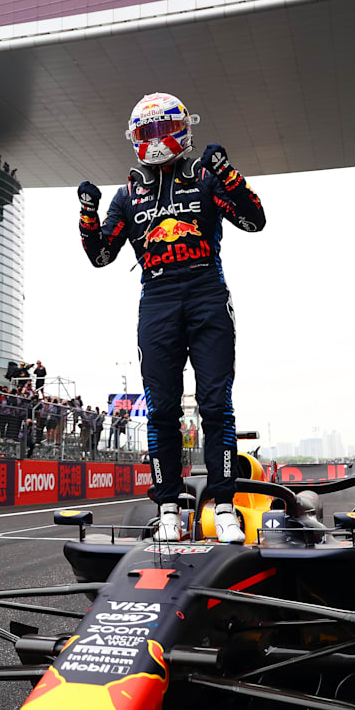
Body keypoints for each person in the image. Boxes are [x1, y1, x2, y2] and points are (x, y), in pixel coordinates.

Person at [79, 92, 266, 543]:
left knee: (215, 405)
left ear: (183, 129)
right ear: (135, 139)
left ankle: (224, 506)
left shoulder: (205, 176)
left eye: (164, 130)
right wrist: (87, 215)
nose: (158, 141)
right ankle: (168, 508)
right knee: (161, 408)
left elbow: (254, 220)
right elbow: (101, 255)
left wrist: (228, 174)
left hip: (206, 293)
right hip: (157, 299)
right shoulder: (127, 195)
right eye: (148, 134)